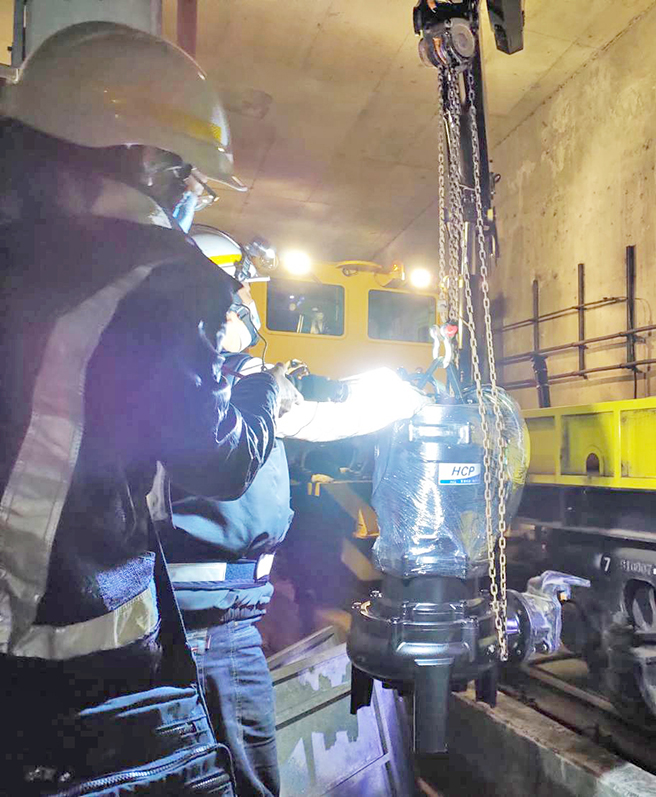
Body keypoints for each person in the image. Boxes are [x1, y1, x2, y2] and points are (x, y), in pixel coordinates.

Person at [0, 22, 300, 793]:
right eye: (189, 178)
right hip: (61, 648)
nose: (189, 199)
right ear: (142, 154)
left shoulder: (21, 246)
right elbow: (217, 459)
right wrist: (271, 392)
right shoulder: (163, 274)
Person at [164, 226, 431, 796]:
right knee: (242, 775)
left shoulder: (229, 389)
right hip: (204, 624)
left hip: (216, 617)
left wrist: (395, 399)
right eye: (235, 300)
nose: (244, 312)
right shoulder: (208, 390)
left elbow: (318, 419)